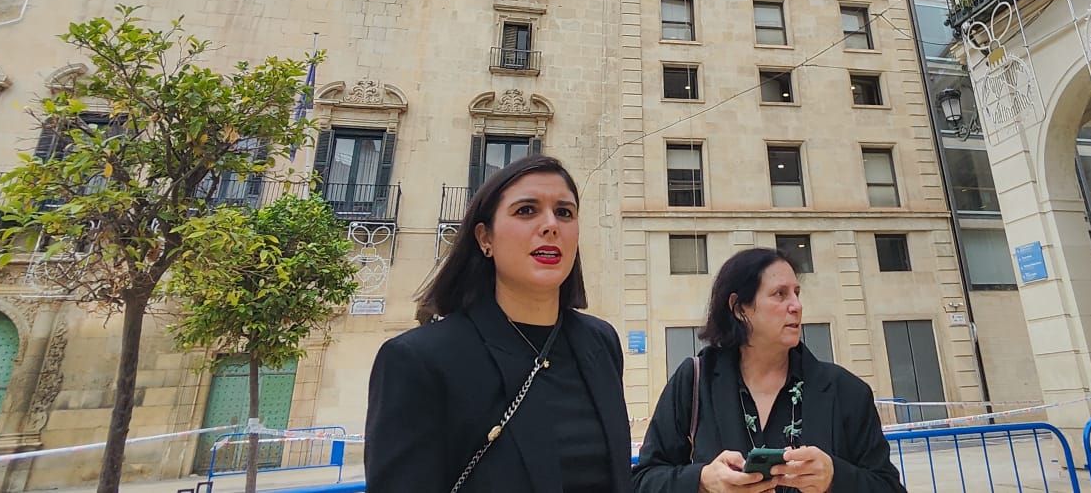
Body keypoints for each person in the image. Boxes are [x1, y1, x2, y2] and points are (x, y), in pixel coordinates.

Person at [366, 155, 631, 493]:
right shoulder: (418, 360)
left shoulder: (601, 342)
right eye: (526, 210)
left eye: (564, 212)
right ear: (484, 239)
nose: (551, 225)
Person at [632, 247, 905, 493]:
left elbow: (889, 486)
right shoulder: (694, 380)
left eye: (797, 293)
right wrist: (702, 480)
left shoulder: (846, 390)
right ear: (739, 309)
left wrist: (835, 477)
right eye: (780, 294)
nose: (796, 306)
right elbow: (643, 479)